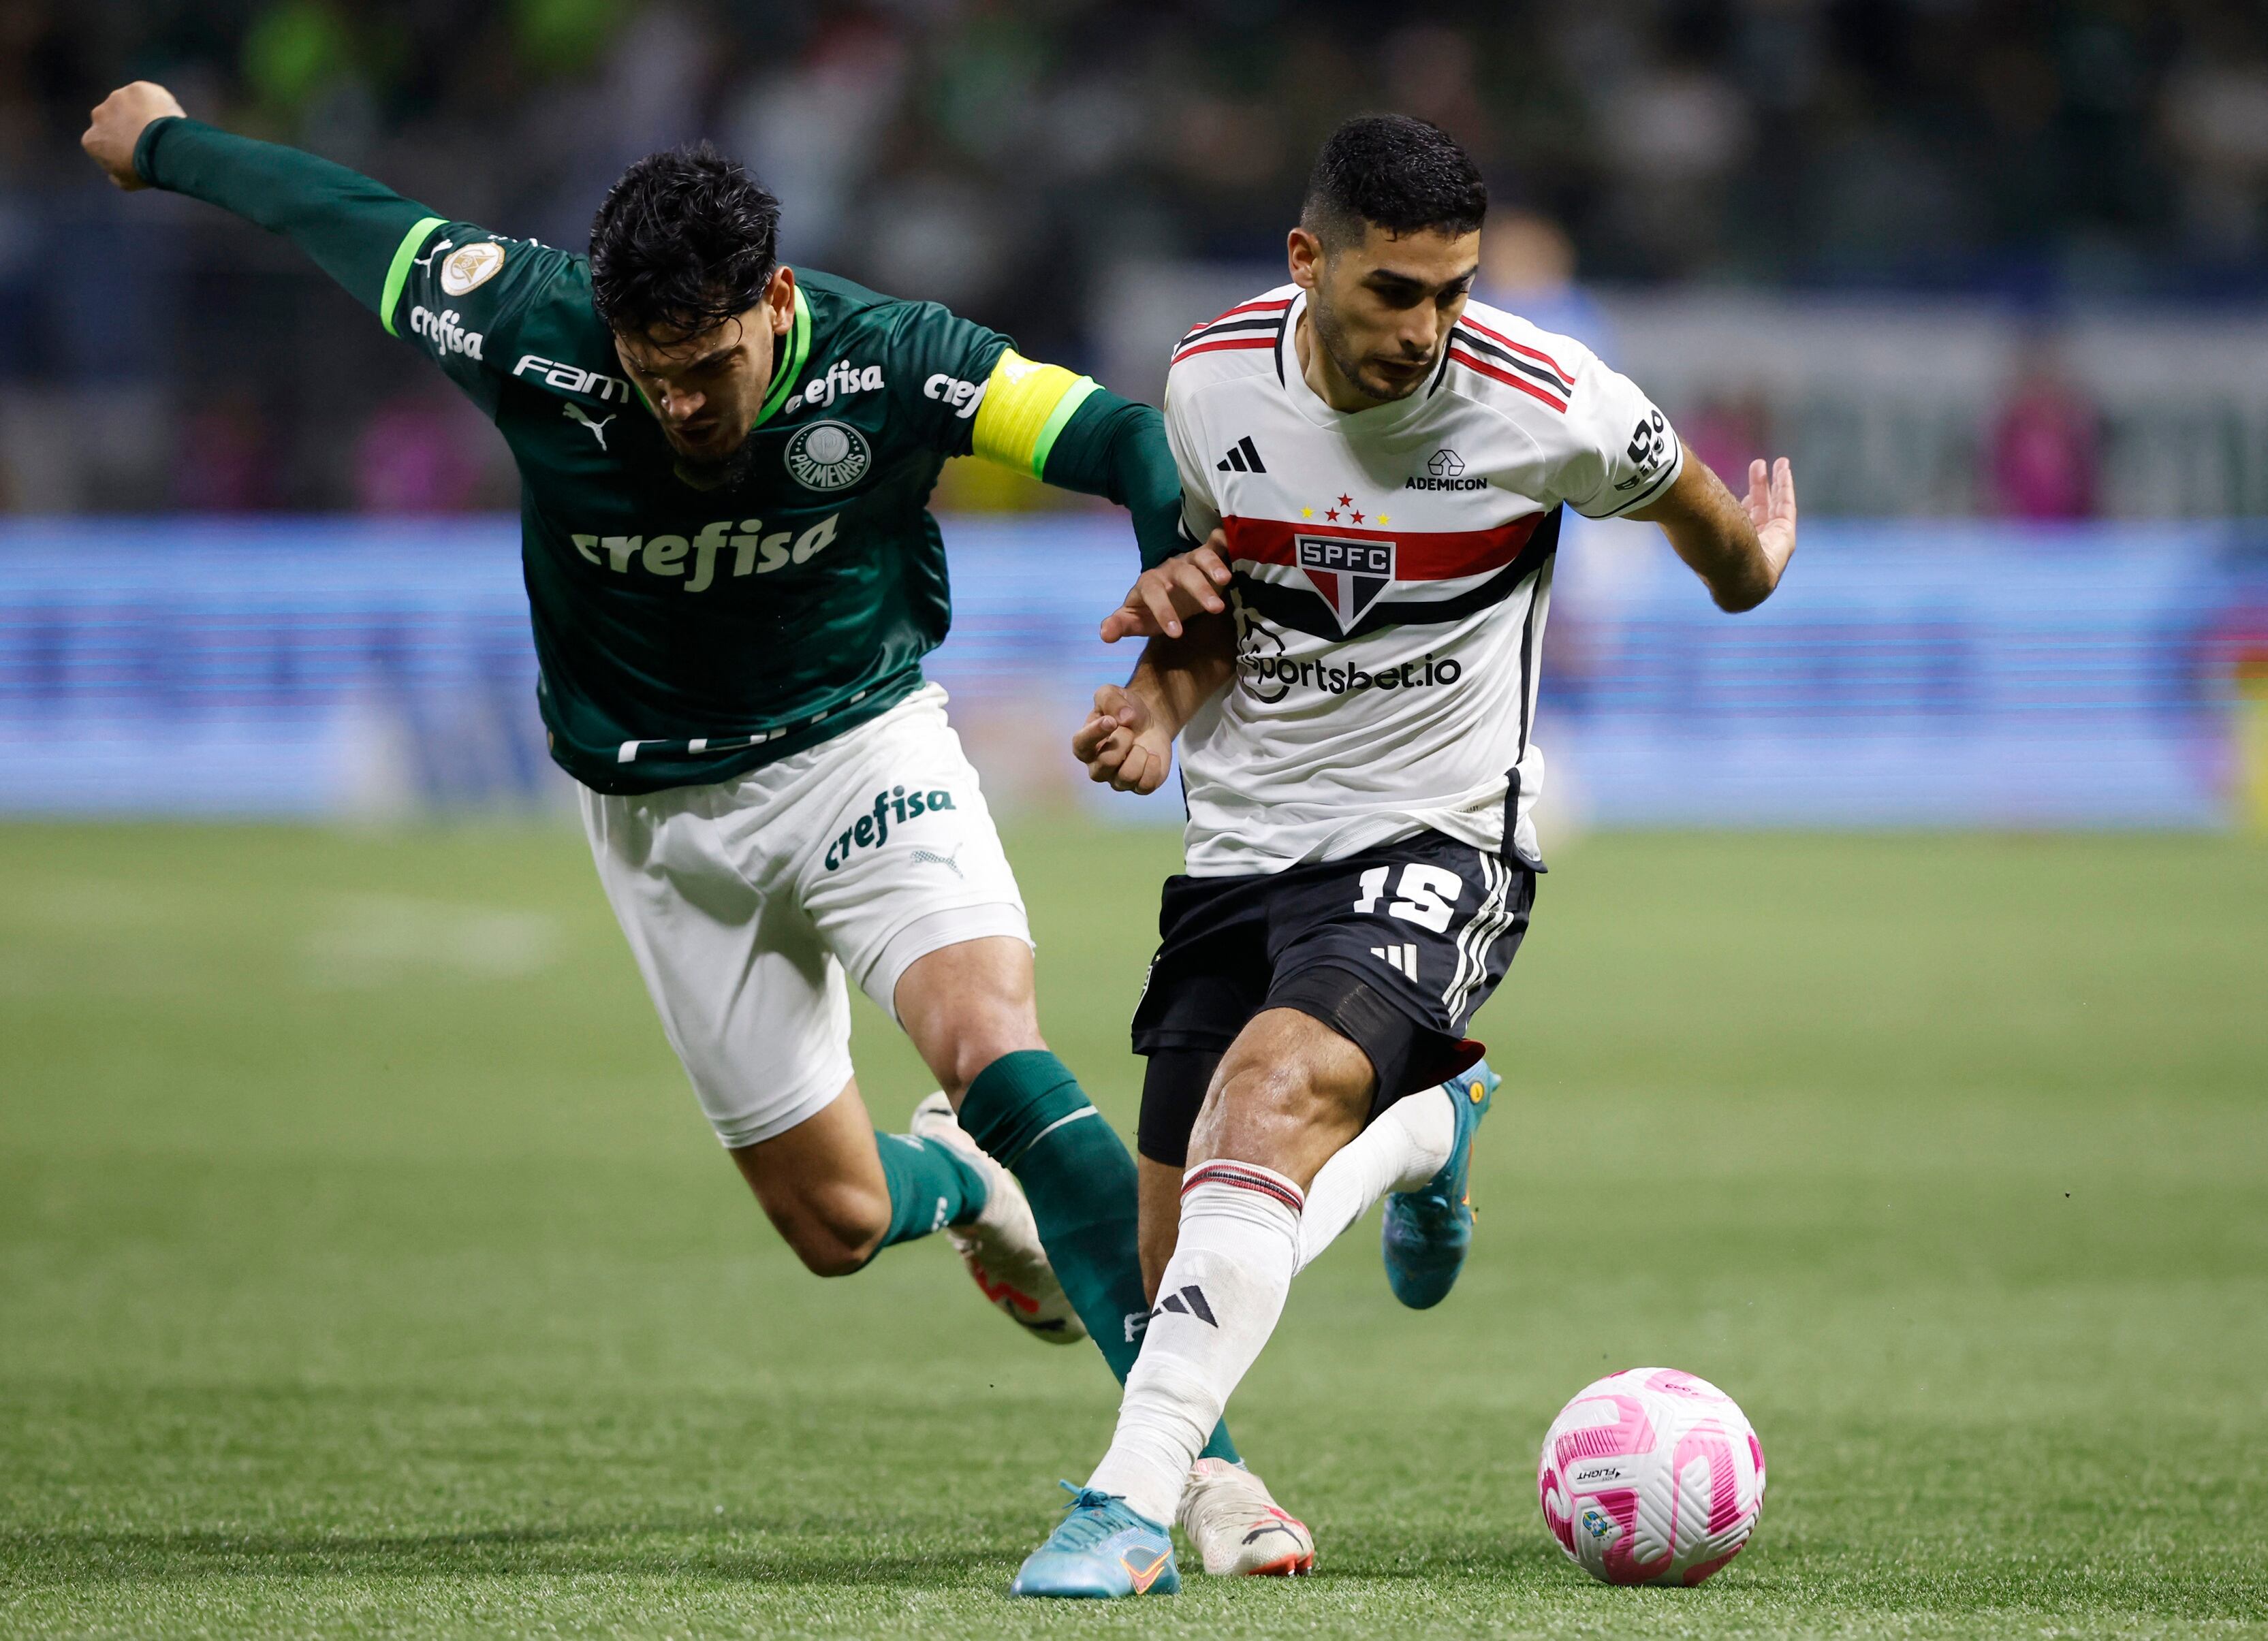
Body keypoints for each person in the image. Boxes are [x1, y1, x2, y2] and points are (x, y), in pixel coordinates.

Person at [79, 81, 1306, 1576]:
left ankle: (1203, 1475)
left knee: (996, 1047)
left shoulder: (892, 359)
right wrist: (166, 145)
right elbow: (352, 219)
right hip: (656, 814)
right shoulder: (524, 324)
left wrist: (1168, 589)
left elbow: (1115, 432)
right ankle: (980, 1190)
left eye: (710, 366)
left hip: (861, 750)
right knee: (839, 1219)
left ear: (774, 303)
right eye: (652, 374)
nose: (683, 406)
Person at [1015, 114, 1797, 1598]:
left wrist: (1757, 561)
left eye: (1453, 291)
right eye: (1393, 293)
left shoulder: (1549, 399)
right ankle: (1434, 1130)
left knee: (1275, 1088)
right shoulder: (1208, 378)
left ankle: (1122, 1503)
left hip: (1443, 831)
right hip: (1244, 843)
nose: (1427, 331)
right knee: (1174, 1241)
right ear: (1309, 261)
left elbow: (1711, 530)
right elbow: (1214, 605)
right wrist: (1153, 706)